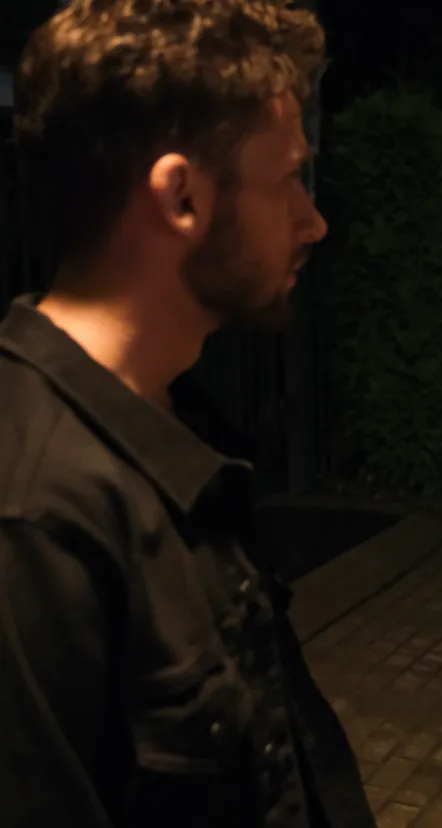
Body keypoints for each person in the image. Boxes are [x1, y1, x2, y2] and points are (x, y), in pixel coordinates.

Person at [0, 2, 375, 826]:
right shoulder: (34, 518)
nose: (313, 220)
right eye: (288, 180)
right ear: (182, 198)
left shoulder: (178, 421)